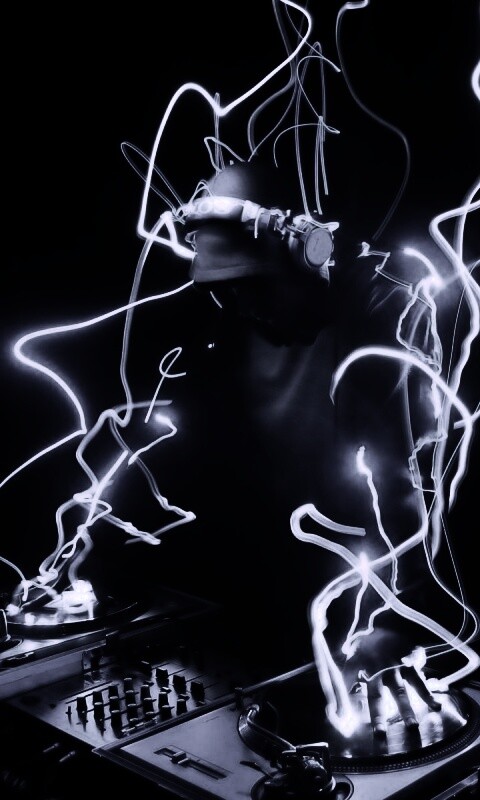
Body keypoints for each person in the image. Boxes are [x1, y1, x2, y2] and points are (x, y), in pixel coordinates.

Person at [170, 156, 477, 737]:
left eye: (253, 286)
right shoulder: (230, 326)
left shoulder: (388, 308)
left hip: (369, 610)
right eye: (225, 291)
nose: (242, 306)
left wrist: (391, 625)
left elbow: (400, 487)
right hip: (268, 607)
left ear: (308, 249)